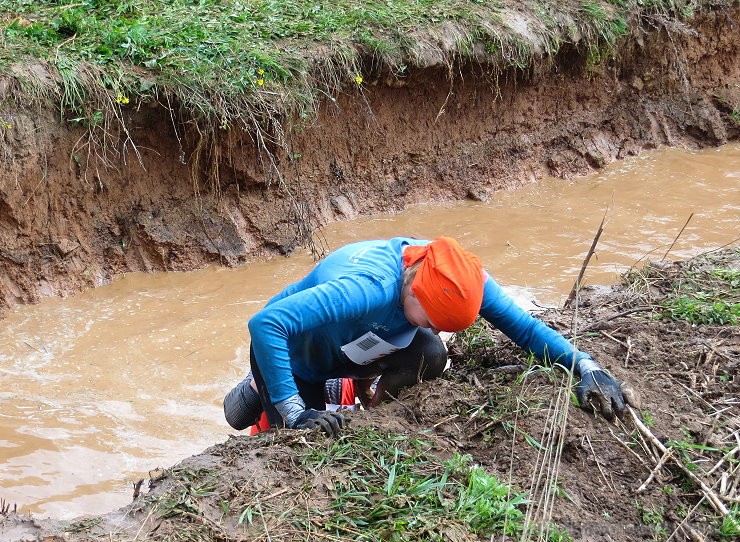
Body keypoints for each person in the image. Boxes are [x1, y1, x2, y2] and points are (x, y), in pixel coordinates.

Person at [224, 236, 634, 437]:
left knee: (431, 353)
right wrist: (294, 411)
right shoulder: (366, 286)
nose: (437, 328)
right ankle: (260, 391)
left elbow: (526, 329)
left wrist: (587, 366)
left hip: (357, 347)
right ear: (414, 288)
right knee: (293, 438)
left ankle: (363, 402)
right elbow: (266, 324)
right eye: (433, 318)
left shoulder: (463, 278)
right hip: (294, 357)